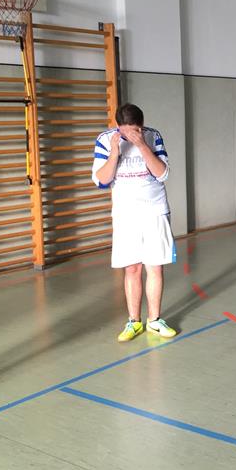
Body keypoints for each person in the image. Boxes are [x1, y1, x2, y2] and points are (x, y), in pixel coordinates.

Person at [92, 103, 177, 341]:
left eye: (136, 130)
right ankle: (134, 322)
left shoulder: (152, 136)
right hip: (125, 213)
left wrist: (141, 145)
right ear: (118, 126)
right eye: (127, 131)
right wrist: (114, 152)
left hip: (154, 210)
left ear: (142, 125)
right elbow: (101, 181)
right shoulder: (105, 140)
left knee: (155, 266)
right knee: (131, 268)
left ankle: (155, 320)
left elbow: (163, 173)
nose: (132, 135)